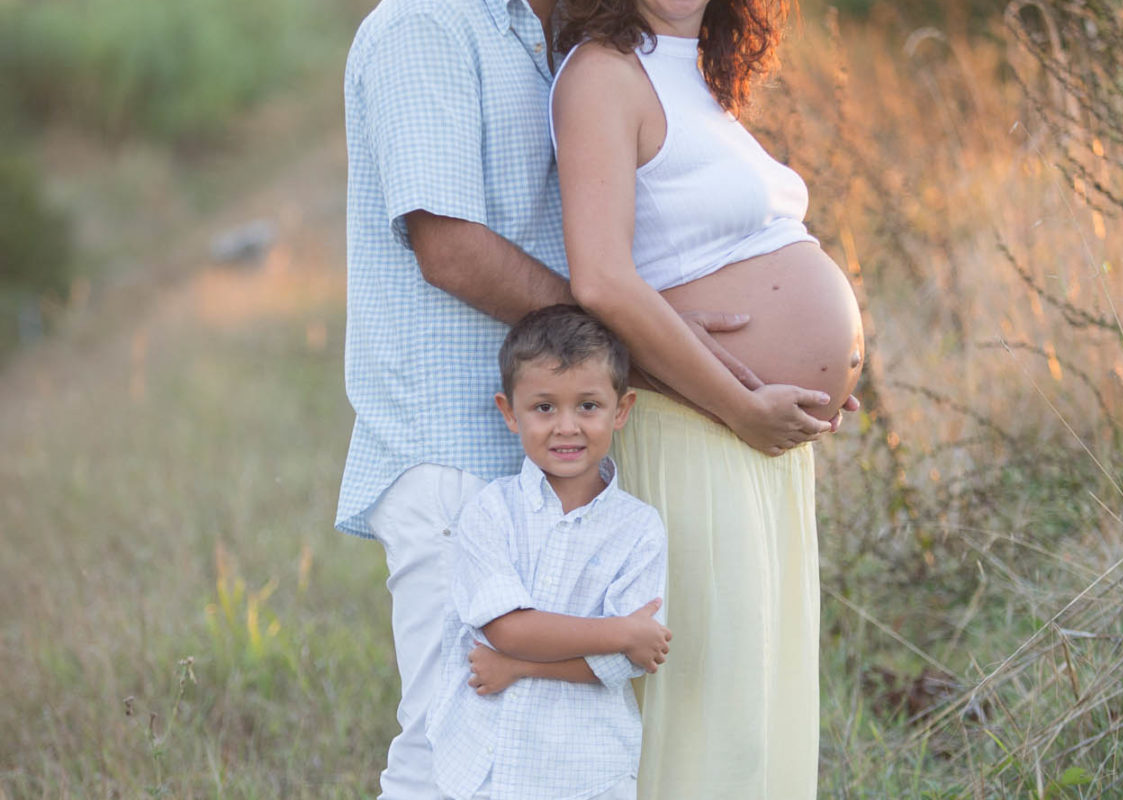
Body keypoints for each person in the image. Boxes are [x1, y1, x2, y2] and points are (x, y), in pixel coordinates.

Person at [338, 1, 803, 798]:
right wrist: (640, 350)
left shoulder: (546, 29)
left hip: (548, 457)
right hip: (456, 446)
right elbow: (449, 249)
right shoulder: (425, 25)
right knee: (449, 746)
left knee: (549, 748)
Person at [550, 1, 866, 797]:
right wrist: (738, 398)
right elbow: (600, 277)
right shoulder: (602, 74)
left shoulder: (701, 76)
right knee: (705, 720)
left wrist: (821, 374)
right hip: (694, 432)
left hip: (754, 441)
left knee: (759, 711)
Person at [428, 304, 669, 800]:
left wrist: (519, 667)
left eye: (587, 406)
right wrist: (619, 631)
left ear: (620, 410)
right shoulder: (490, 512)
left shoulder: (639, 529)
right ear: (509, 413)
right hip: (490, 763)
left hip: (587, 768)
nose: (566, 426)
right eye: (544, 407)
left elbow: (627, 662)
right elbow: (507, 629)